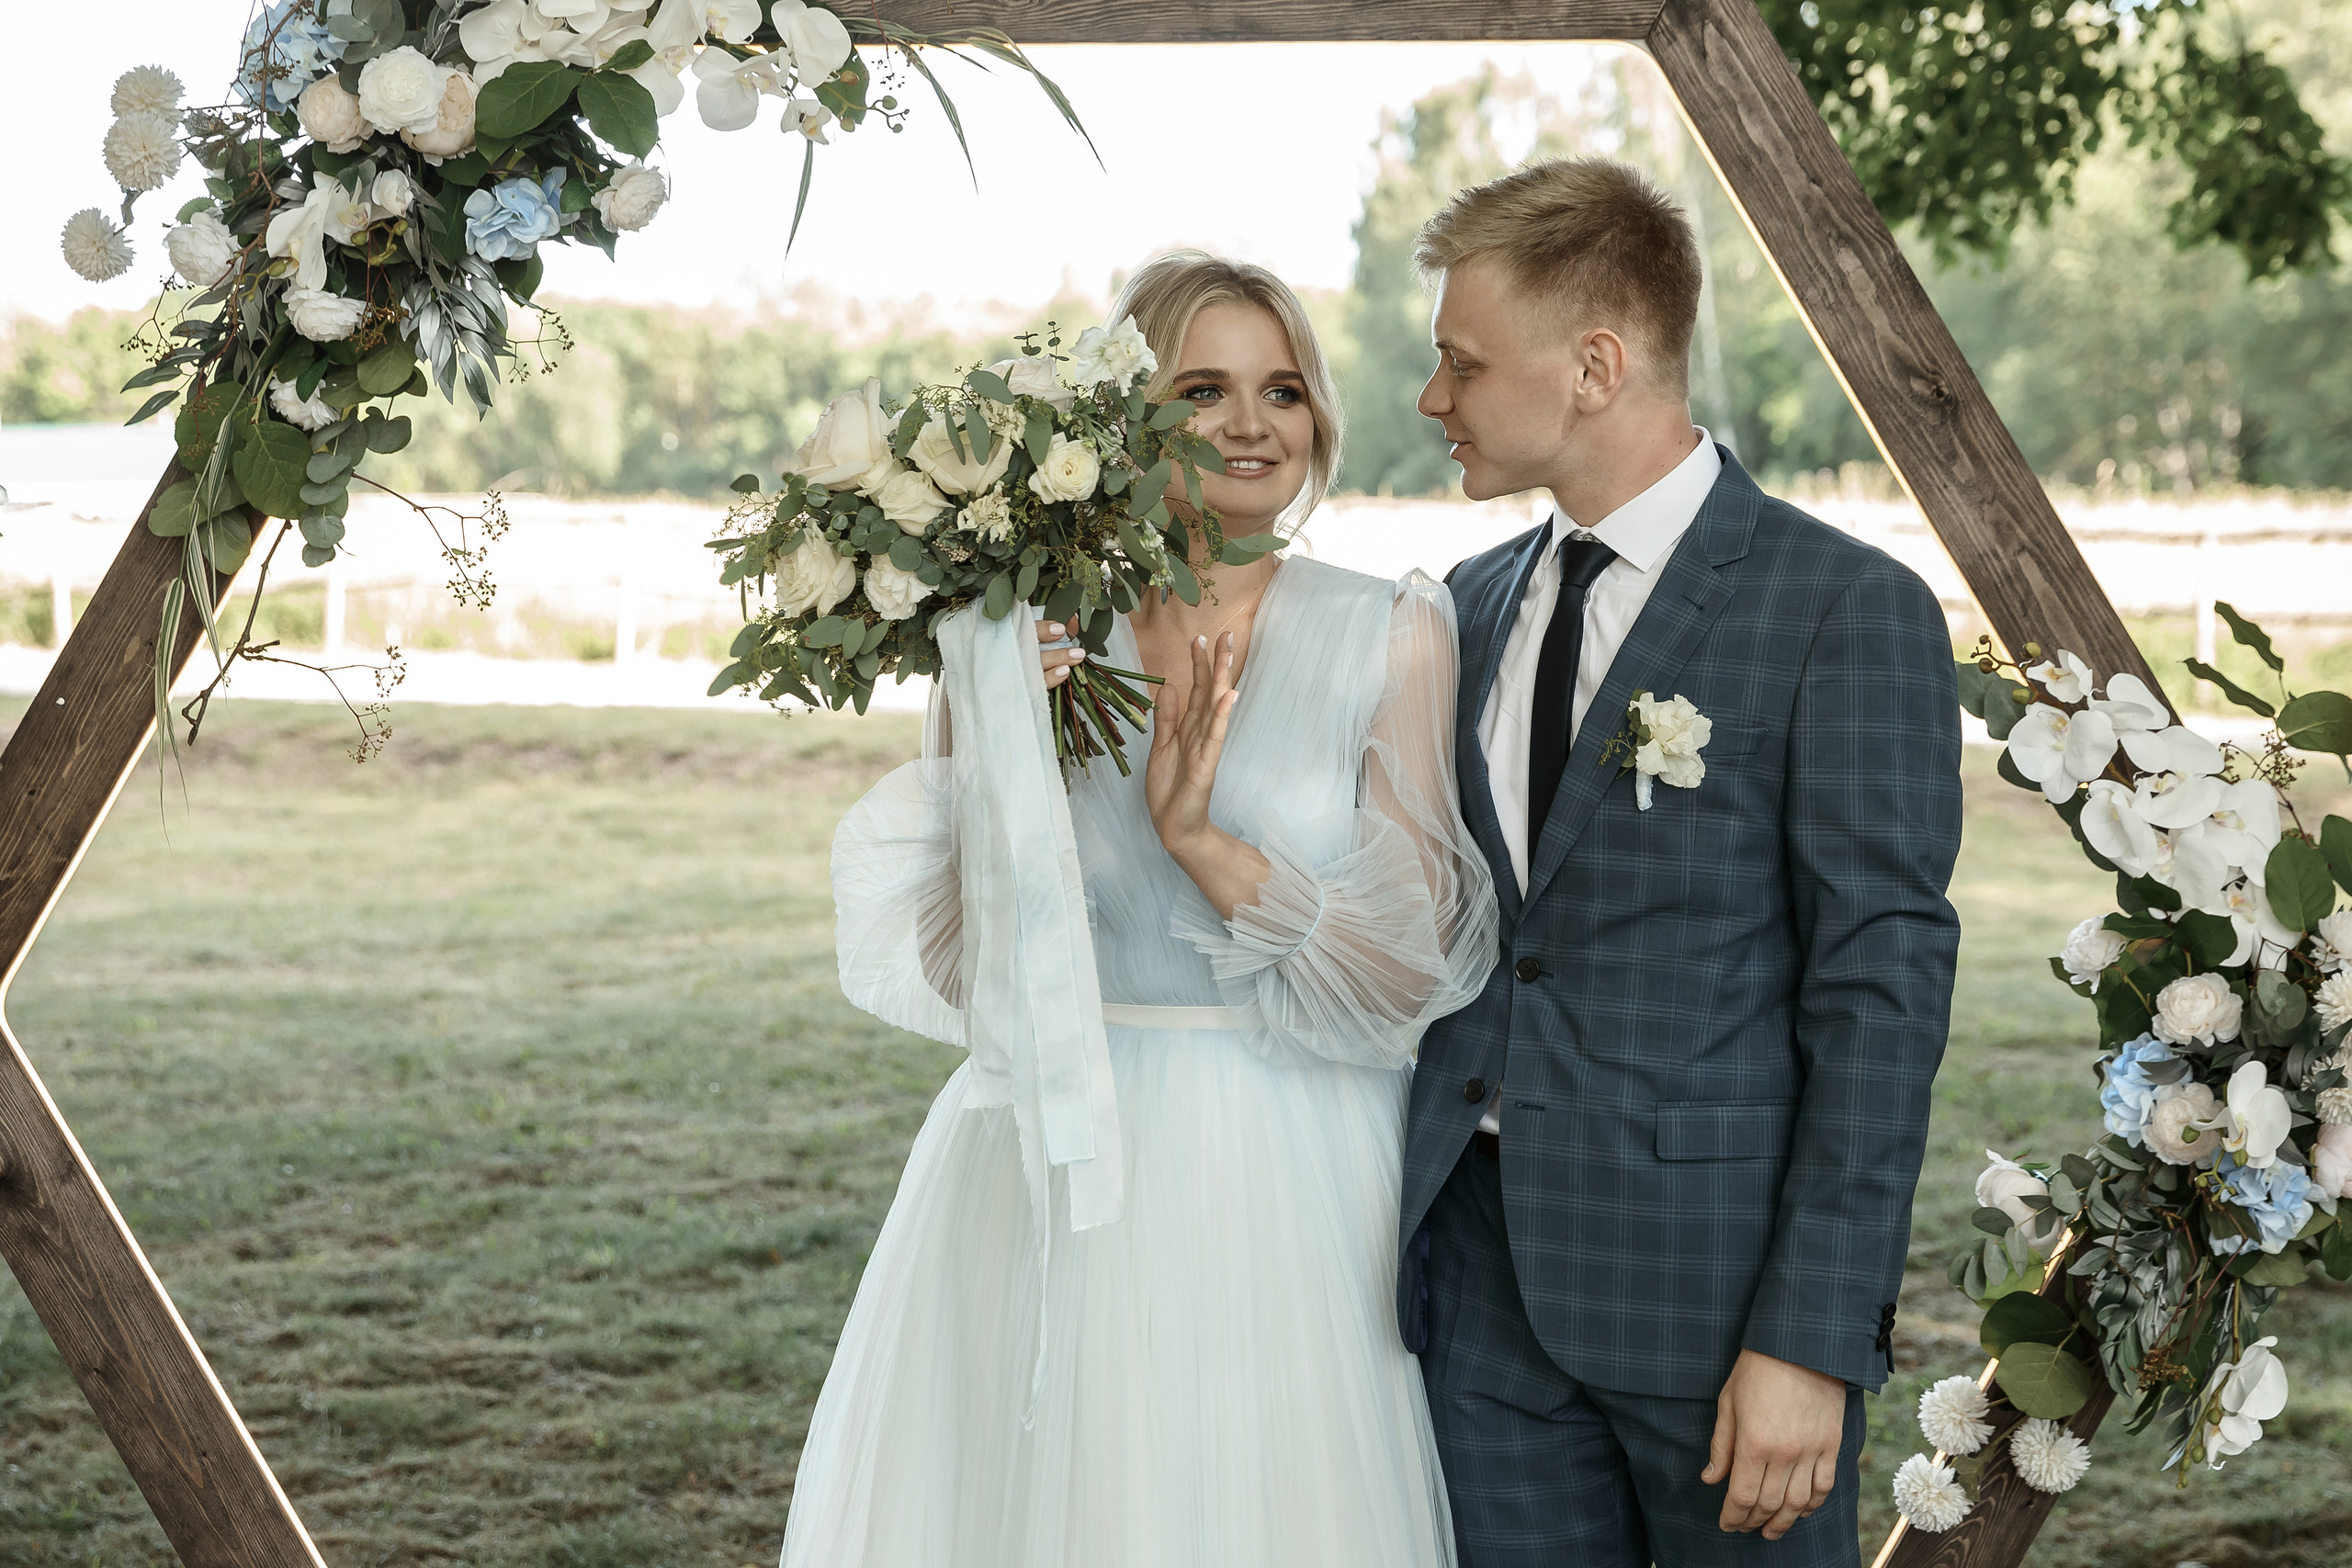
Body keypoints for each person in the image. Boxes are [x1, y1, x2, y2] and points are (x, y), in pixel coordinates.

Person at [785, 251, 1499, 1568]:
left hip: (1288, 1160)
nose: (1250, 424)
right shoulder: (1023, 632)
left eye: (1283, 389)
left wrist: (1203, 845)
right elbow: (956, 961)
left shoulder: (1391, 630)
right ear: (1126, 425)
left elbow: (1410, 973)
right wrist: (1001, 730)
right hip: (1055, 1149)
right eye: (1205, 387)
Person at [1396, 158, 1963, 1567]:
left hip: (1719, 1314)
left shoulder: (1846, 610)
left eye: (1461, 363)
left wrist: (1812, 1339)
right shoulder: (1465, 608)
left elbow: (1879, 1001)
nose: (1432, 399)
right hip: (1475, 1286)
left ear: (1595, 365)